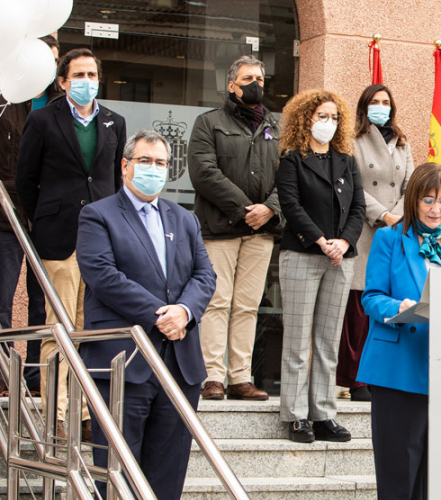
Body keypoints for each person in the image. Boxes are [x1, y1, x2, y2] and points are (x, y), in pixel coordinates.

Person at [76, 130, 216, 500]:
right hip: (124, 361)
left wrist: (184, 312)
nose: (153, 169)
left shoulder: (184, 219)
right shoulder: (97, 215)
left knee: (168, 475)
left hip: (179, 363)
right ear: (125, 166)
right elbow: (102, 275)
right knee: (118, 474)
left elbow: (205, 275)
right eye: (145, 161)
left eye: (161, 163)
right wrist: (160, 315)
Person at [17, 47, 127, 437]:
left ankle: (83, 413)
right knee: (57, 327)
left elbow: (114, 182)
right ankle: (56, 413)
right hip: (58, 237)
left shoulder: (115, 122)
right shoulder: (43, 119)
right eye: (78, 75)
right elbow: (25, 180)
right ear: (62, 82)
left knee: (86, 328)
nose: (86, 82)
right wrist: (43, 217)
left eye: (92, 75)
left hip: (100, 240)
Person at [357, 162, 441, 500]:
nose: (436, 209)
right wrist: (400, 308)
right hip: (398, 369)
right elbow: (371, 298)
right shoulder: (389, 238)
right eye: (428, 200)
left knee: (435, 481)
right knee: (399, 476)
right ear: (413, 201)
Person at [188, 55, 283, 402]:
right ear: (232, 85)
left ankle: (241, 377)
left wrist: (269, 209)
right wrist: (246, 210)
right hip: (220, 228)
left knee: (247, 305)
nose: (255, 83)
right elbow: (204, 172)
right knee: (217, 302)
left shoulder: (277, 126)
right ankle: (212, 375)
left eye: (259, 77)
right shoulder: (208, 123)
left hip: (262, 232)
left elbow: (288, 177)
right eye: (247, 78)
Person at [277, 89, 365, 443]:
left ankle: (324, 413)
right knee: (298, 340)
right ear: (305, 120)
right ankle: (296, 415)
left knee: (328, 340)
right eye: (321, 117)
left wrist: (343, 242)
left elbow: (358, 208)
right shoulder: (291, 158)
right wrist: (320, 240)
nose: (328, 124)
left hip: (340, 257)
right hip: (302, 254)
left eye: (334, 118)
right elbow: (291, 204)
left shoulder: (345, 159)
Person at [336, 84, 414, 402]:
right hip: (364, 229)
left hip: (395, 231)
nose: (381, 106)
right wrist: (382, 214)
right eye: (374, 102)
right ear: (364, 107)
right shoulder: (352, 141)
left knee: (387, 303)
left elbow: (411, 183)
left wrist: (397, 215)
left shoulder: (402, 143)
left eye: (386, 102)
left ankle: (382, 376)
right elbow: (353, 185)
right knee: (357, 310)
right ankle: (355, 380)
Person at [0, 35, 61, 394]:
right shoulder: (7, 101)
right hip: (7, 217)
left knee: (42, 303)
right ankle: (4, 373)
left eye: (53, 60)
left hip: (48, 215)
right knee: (3, 299)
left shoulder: (60, 105)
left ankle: (36, 376)